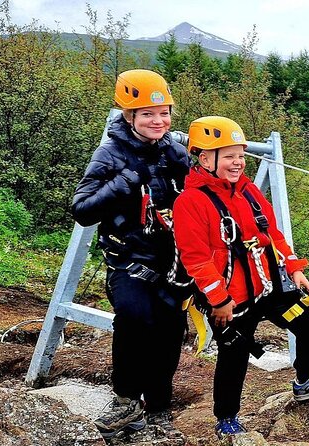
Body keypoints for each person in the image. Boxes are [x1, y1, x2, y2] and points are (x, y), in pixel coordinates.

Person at [172, 116, 309, 439]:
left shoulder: (249, 191)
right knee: (234, 353)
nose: (238, 162)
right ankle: (226, 419)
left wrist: (293, 267)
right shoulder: (190, 203)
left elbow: (273, 233)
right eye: (229, 156)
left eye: (240, 154)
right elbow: (195, 260)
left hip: (266, 287)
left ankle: (306, 379)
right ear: (204, 158)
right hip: (229, 299)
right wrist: (219, 300)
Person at [71, 69, 190, 440]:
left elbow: (203, 190)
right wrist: (125, 182)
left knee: (171, 332)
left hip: (173, 263)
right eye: (148, 114)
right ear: (129, 116)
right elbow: (82, 209)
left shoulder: (175, 151)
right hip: (128, 260)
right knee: (134, 317)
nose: (158, 121)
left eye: (164, 113)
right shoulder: (110, 154)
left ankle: (156, 409)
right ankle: (125, 401)